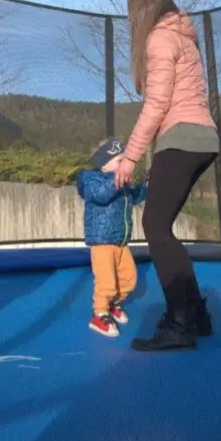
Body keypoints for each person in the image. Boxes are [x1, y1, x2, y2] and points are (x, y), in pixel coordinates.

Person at [112, 0, 219, 352]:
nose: (129, 22)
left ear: (142, 11)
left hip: (183, 136)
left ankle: (179, 323)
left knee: (155, 227)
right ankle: (195, 315)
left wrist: (130, 156)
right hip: (203, 136)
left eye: (131, 14)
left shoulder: (159, 39)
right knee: (164, 228)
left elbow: (156, 105)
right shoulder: (184, 36)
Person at [77, 138, 147, 338]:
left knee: (129, 278)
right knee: (106, 280)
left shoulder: (120, 183)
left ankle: (113, 303)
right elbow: (100, 195)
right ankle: (99, 314)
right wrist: (117, 180)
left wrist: (146, 186)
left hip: (120, 240)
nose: (124, 166)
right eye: (120, 161)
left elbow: (133, 197)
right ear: (103, 163)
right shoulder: (92, 180)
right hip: (102, 241)